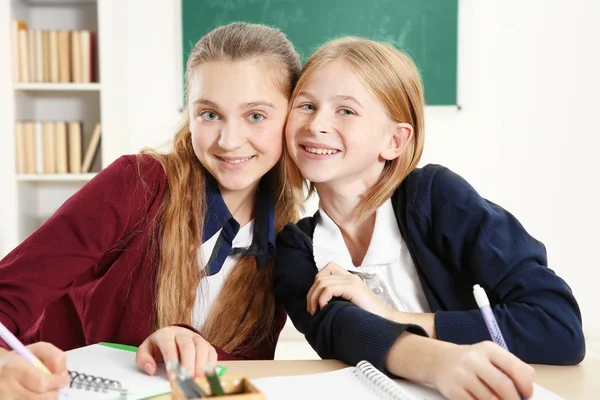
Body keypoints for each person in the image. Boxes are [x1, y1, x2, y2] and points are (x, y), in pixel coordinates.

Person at [0, 22, 302, 399]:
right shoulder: (136, 184)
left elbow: (238, 374)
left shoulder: (288, 239)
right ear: (188, 113)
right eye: (209, 114)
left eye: (255, 116)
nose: (229, 141)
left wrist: (178, 347)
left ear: (294, 116)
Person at [274, 37, 585, 400]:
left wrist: (391, 316)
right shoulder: (295, 248)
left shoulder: (437, 197)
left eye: (346, 111)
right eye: (307, 105)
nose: (317, 124)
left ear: (394, 140)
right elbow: (338, 329)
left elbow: (558, 326)